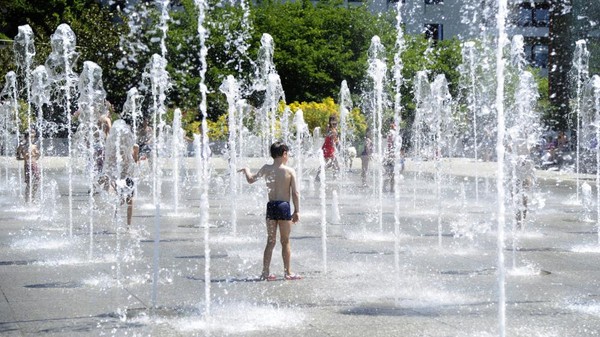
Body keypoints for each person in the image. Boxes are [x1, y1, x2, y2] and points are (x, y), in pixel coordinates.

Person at [238, 142, 301, 281]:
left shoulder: (266, 168)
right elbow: (295, 193)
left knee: (270, 241)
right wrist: (297, 211)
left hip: (271, 206)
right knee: (285, 241)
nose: (288, 156)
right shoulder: (290, 171)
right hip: (284, 206)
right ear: (284, 153)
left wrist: (246, 169)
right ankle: (288, 272)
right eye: (288, 153)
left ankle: (265, 273)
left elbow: (250, 180)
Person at [104, 120, 139, 227]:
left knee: (129, 200)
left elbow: (135, 161)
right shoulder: (117, 148)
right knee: (123, 200)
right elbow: (111, 161)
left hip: (129, 176)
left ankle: (127, 224)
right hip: (121, 175)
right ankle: (115, 218)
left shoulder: (134, 147)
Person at [16, 130, 40, 202]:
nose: (32, 139)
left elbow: (37, 156)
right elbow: (17, 157)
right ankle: (27, 199)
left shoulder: (34, 146)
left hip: (34, 165)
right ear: (26, 138)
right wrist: (24, 158)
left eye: (33, 137)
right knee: (29, 183)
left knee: (37, 182)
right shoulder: (21, 146)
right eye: (30, 137)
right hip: (27, 166)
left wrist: (36, 156)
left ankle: (33, 197)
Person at [315, 116, 340, 181]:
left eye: (335, 120)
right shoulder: (329, 127)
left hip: (331, 147)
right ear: (330, 121)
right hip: (328, 146)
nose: (334, 122)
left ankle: (334, 177)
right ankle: (319, 175)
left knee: (334, 163)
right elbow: (327, 135)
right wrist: (331, 134)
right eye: (332, 120)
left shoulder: (335, 128)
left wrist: (337, 140)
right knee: (328, 162)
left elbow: (335, 138)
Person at [383, 122, 397, 192]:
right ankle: (391, 188)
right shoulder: (393, 133)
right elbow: (390, 144)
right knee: (392, 173)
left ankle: (384, 187)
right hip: (391, 156)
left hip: (387, 156)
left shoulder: (389, 133)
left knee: (387, 173)